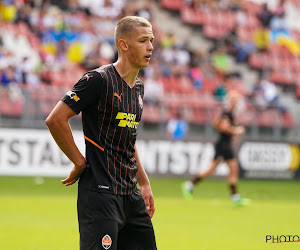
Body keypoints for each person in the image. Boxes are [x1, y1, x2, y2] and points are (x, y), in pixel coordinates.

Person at [45, 16, 157, 250]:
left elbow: (128, 138)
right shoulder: (98, 79)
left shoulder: (138, 88)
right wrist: (79, 162)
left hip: (130, 194)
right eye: (143, 41)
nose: (150, 47)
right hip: (100, 194)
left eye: (152, 40)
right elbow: (55, 119)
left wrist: (144, 183)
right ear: (123, 45)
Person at [181, 91, 248, 205]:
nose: (237, 103)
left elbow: (217, 124)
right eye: (235, 100)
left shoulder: (227, 113)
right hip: (224, 145)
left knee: (212, 170)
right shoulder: (227, 113)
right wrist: (237, 131)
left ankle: (190, 185)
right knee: (232, 169)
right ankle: (235, 197)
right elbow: (223, 127)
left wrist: (232, 132)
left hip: (223, 144)